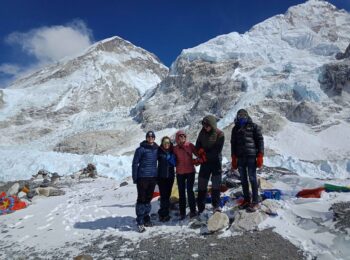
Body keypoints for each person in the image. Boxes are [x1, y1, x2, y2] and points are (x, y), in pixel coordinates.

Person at [230, 109, 264, 212]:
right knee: (243, 180)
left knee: (252, 178)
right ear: (237, 116)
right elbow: (233, 144)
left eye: (244, 115)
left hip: (251, 156)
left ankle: (255, 202)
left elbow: (260, 140)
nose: (242, 117)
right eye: (240, 115)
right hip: (240, 157)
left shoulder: (253, 126)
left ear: (247, 116)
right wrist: (233, 157)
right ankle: (246, 200)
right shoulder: (235, 129)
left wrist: (260, 155)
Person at [196, 115, 225, 213]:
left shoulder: (220, 134)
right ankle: (200, 207)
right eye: (204, 125)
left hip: (216, 162)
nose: (205, 127)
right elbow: (198, 143)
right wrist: (199, 150)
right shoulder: (202, 132)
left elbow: (217, 150)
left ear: (212, 125)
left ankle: (216, 205)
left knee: (216, 184)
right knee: (202, 184)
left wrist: (204, 155)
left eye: (207, 125)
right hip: (205, 163)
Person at [132, 130, 158, 232]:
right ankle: (140, 221)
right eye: (149, 137)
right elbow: (135, 164)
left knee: (148, 198)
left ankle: (146, 217)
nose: (150, 138)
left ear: (154, 138)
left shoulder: (156, 149)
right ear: (146, 138)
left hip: (152, 178)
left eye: (152, 137)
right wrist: (135, 177)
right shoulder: (140, 149)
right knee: (141, 199)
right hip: (142, 177)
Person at [173, 130, 198, 220]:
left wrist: (197, 160)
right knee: (181, 192)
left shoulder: (189, 145)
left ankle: (193, 211)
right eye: (180, 136)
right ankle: (182, 212)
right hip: (180, 173)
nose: (182, 138)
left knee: (190, 191)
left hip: (190, 172)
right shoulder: (175, 149)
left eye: (183, 136)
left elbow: (197, 153)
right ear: (177, 138)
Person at [157, 136, 176, 222]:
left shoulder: (173, 151)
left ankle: (165, 213)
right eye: (165, 143)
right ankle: (163, 214)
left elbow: (175, 163)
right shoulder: (159, 151)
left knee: (167, 196)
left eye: (168, 143)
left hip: (170, 177)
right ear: (162, 143)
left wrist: (170, 158)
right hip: (161, 177)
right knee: (163, 195)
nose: (166, 144)